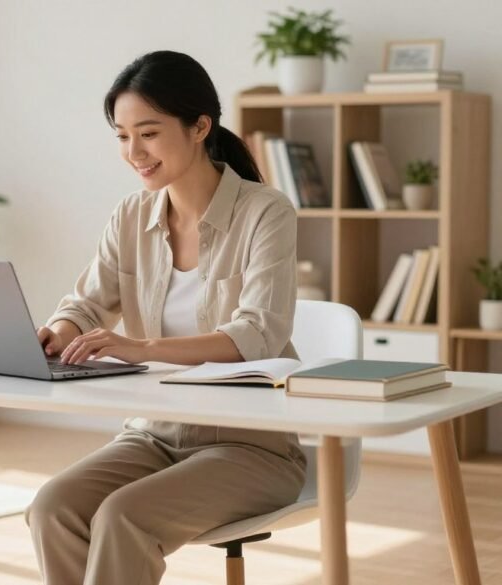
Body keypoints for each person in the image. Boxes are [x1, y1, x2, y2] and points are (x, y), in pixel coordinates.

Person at [25, 50, 307, 584]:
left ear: (200, 126)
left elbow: (259, 333)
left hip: (251, 446)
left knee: (123, 516)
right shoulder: (131, 215)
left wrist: (140, 348)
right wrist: (58, 333)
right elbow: (85, 304)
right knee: (52, 508)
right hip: (154, 435)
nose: (134, 152)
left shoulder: (266, 212)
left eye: (149, 133)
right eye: (122, 135)